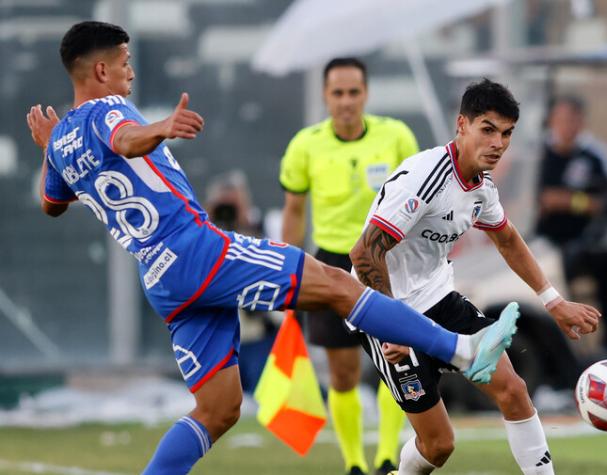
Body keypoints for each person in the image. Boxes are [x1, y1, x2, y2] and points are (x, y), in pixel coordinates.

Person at [26, 21, 519, 475]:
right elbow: (128, 139)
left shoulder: (63, 140)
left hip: (160, 278)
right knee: (340, 286)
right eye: (126, 62)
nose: (131, 73)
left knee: (218, 410)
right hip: (196, 250)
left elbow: (52, 203)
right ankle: (461, 348)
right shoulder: (108, 110)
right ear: (101, 69)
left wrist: (52, 150)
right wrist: (159, 128)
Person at [349, 79, 602, 475]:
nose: (498, 143)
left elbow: (508, 240)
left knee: (514, 390)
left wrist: (554, 301)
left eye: (507, 133)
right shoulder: (426, 176)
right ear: (461, 125)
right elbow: (365, 253)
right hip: (384, 310)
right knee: (438, 446)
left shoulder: (481, 187)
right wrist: (388, 325)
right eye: (488, 129)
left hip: (439, 300)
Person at [279, 57, 416, 475]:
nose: (346, 102)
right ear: (325, 96)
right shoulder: (305, 144)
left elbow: (420, 199)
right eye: (337, 93)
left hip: (385, 259)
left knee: (396, 361)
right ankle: (354, 463)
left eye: (354, 92)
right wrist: (286, 269)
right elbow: (294, 211)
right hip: (330, 264)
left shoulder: (395, 136)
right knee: (342, 371)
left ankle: (389, 456)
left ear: (366, 94)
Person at [535, 95, 607, 349]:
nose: (565, 126)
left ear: (580, 122)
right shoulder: (538, 156)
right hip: (543, 241)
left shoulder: (595, 157)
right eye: (559, 119)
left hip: (585, 240)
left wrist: (570, 201)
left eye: (570, 119)